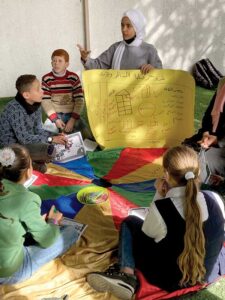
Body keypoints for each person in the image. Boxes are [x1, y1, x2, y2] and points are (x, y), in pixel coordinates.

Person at [87, 145, 225, 300]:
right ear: (198, 172)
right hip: (207, 272)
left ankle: (126, 274)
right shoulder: (215, 198)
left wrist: (159, 194)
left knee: (130, 222)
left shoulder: (163, 209)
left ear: (166, 174)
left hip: (171, 280)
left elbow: (147, 233)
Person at [0, 145, 79, 284]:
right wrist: (52, 222)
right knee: (71, 232)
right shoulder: (26, 199)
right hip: (8, 270)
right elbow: (46, 240)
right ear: (28, 171)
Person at [0, 74, 68, 173]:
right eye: (38, 89)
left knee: (47, 154)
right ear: (26, 95)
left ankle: (29, 163)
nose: (42, 91)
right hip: (11, 149)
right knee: (48, 151)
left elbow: (39, 130)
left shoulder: (36, 105)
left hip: (24, 144)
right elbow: (24, 138)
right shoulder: (14, 110)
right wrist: (51, 139)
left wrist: (55, 135)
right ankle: (20, 163)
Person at [77, 8, 162, 74]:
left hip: (142, 96)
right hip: (117, 95)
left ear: (137, 28)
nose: (124, 29)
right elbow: (97, 65)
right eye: (122, 25)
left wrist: (153, 70)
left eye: (128, 26)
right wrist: (85, 59)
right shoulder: (115, 48)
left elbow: (162, 77)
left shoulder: (149, 50)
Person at [42, 49, 92, 138]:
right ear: (51, 63)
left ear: (67, 64)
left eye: (60, 61)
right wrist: (55, 119)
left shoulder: (73, 78)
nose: (56, 63)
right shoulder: (46, 79)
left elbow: (79, 100)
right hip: (55, 115)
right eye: (54, 60)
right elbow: (46, 101)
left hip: (72, 115)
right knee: (46, 136)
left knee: (87, 136)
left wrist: (73, 119)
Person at [183, 77, 225, 183]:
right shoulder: (223, 83)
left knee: (202, 164)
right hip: (213, 138)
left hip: (222, 146)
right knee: (181, 155)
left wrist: (218, 141)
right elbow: (209, 114)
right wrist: (206, 133)